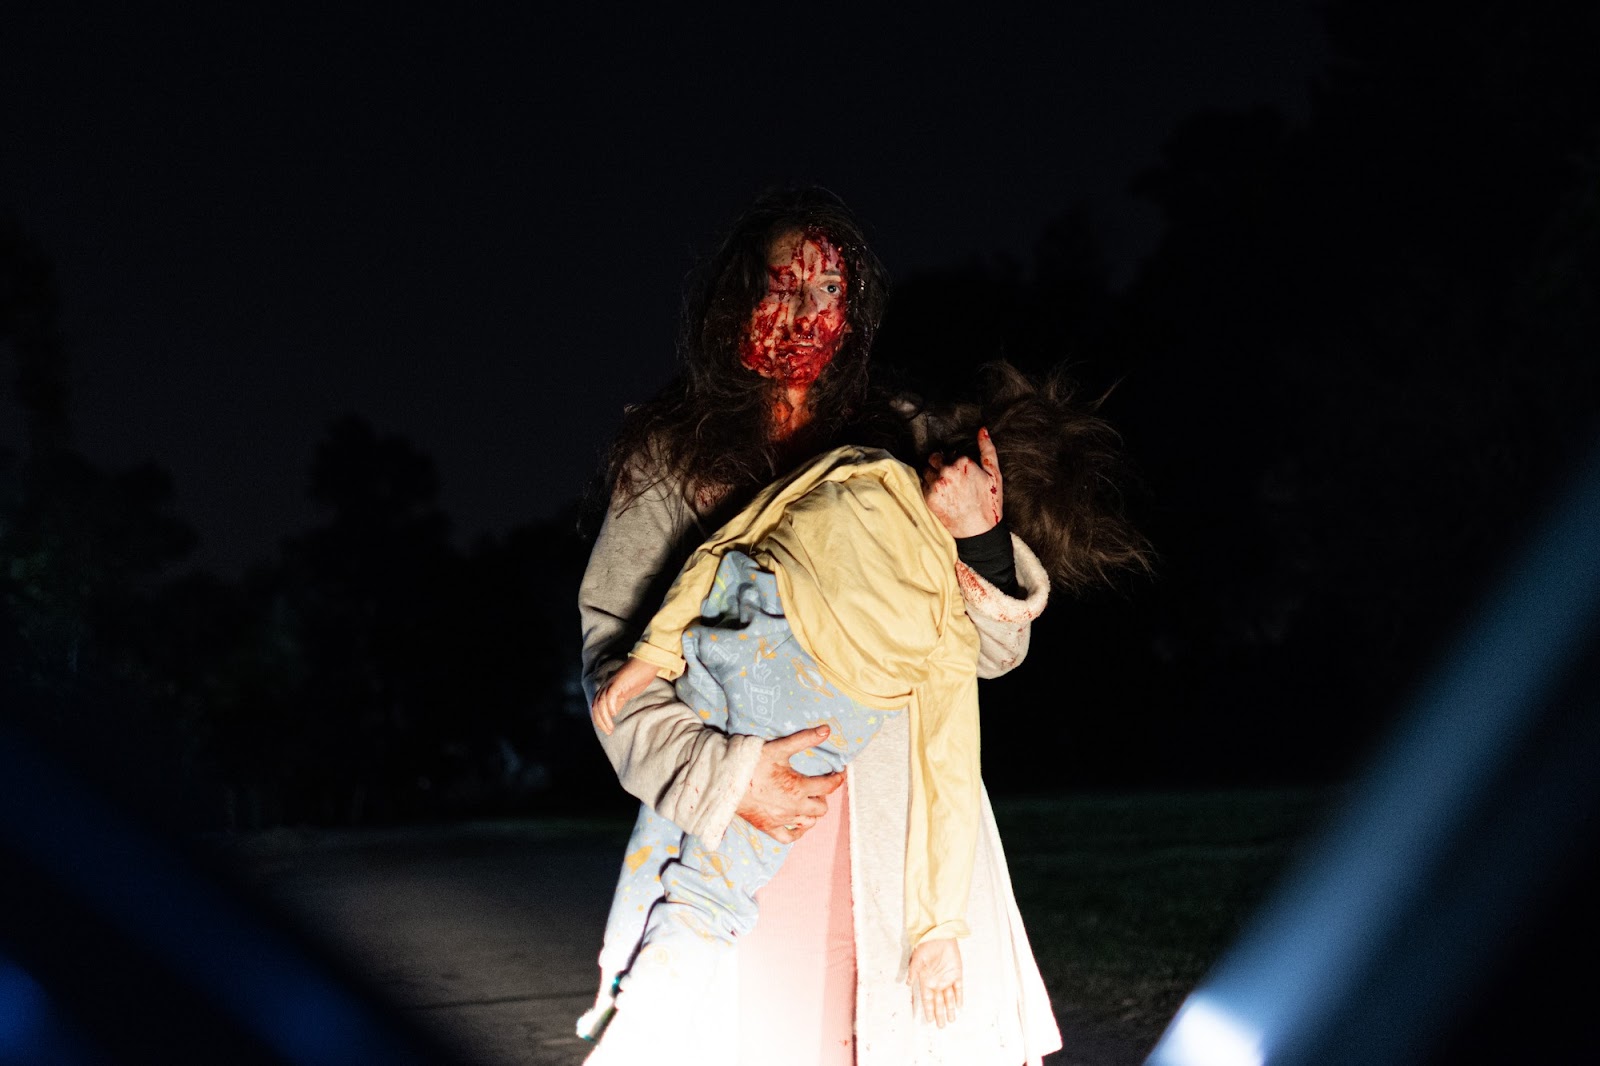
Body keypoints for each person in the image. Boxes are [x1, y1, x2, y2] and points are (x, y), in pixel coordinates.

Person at [578, 186, 1121, 1064]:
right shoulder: (668, 455)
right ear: (736, 299)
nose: (806, 310)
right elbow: (615, 665)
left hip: (892, 825)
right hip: (744, 818)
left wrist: (982, 538)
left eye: (829, 289)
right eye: (782, 284)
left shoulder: (903, 439)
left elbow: (991, 650)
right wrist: (727, 777)